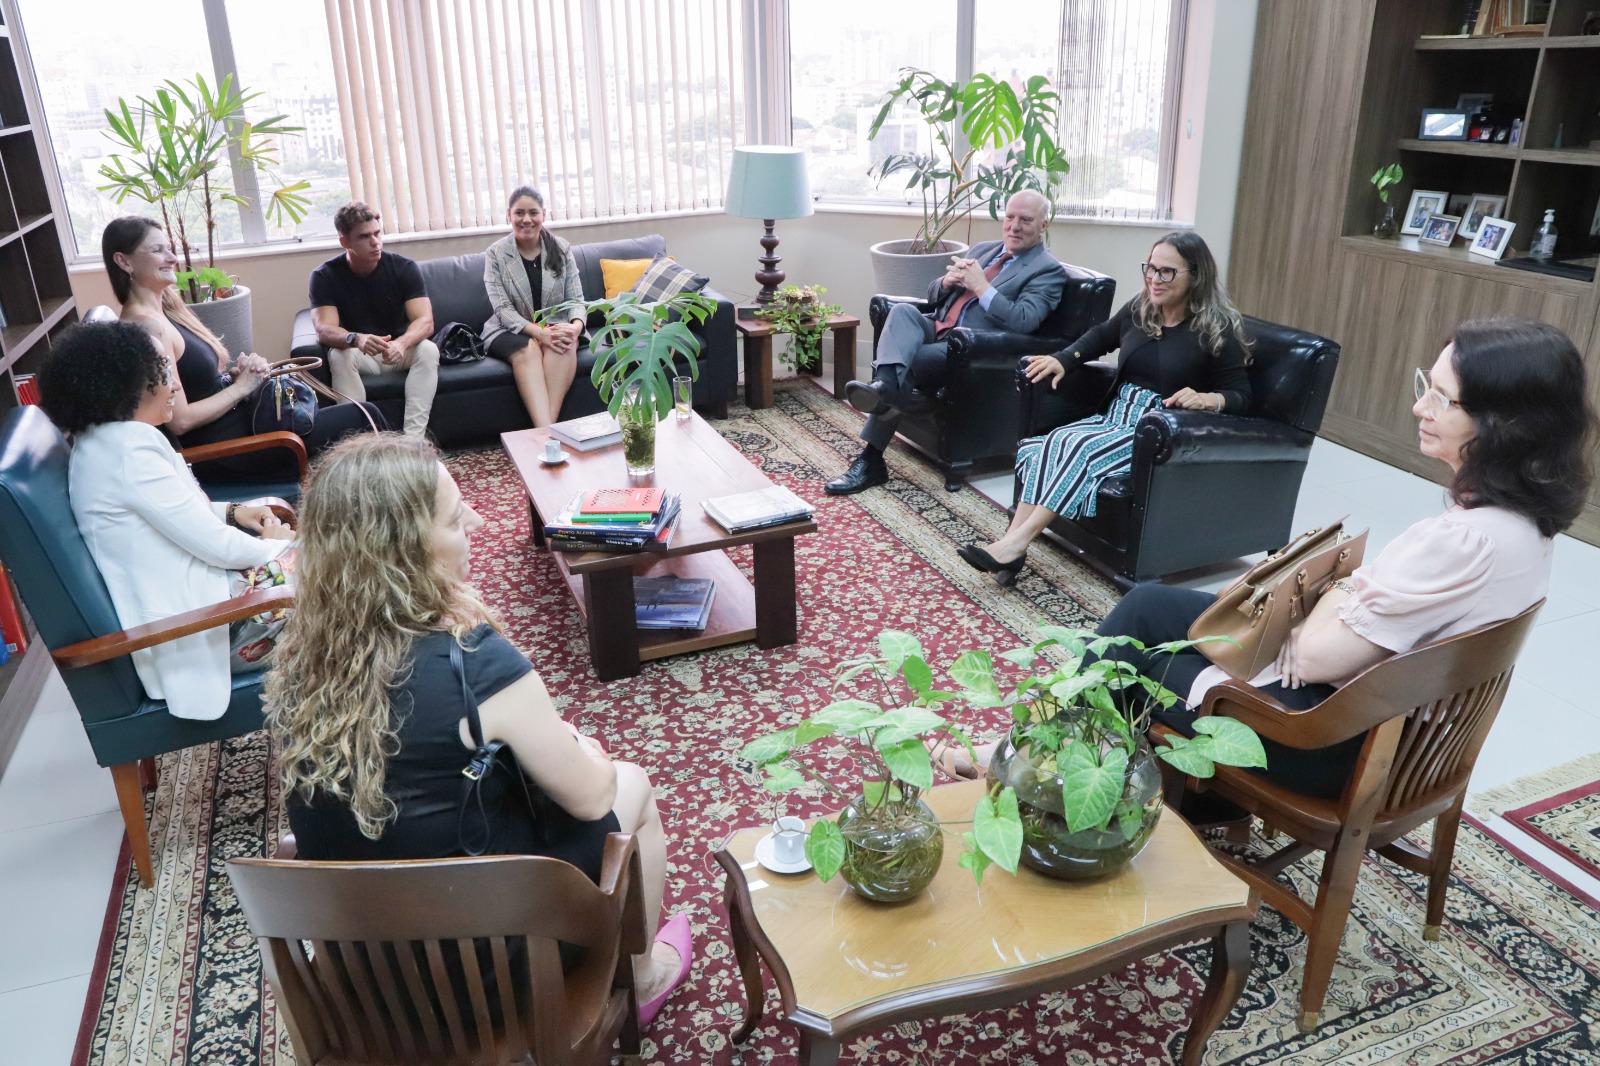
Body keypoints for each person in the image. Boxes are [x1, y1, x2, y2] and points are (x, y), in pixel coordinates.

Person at [265, 434, 691, 1025]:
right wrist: (584, 751)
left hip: (366, 974)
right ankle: (644, 980)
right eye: (453, 517)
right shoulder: (475, 665)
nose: (477, 521)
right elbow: (593, 798)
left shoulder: (300, 661)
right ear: (401, 548)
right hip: (484, 970)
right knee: (630, 784)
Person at [1094, 316, 1597, 798]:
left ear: (1504, 425)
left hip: (1327, 742)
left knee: (1129, 663)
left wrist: (1338, 590)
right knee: (1148, 605)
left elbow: (1313, 658)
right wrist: (1344, 599)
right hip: (1384, 728)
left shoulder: (1465, 541)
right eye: (1427, 385)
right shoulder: (1528, 527)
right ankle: (1176, 794)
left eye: (1442, 399)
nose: (1420, 407)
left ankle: (1088, 777)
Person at [36, 320, 296, 721]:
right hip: (206, 630)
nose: (175, 385)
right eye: (162, 373)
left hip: (207, 610)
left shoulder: (105, 440)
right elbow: (220, 548)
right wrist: (276, 544)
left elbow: (167, 514)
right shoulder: (128, 451)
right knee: (354, 575)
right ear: (125, 387)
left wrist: (232, 511)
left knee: (349, 561)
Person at [960, 231, 1252, 585]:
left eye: (1167, 272)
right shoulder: (1141, 309)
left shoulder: (1217, 329)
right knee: (1049, 443)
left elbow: (1241, 394)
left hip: (1157, 431)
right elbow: (1100, 337)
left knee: (1078, 447)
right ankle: (1011, 548)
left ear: (1196, 275)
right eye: (1151, 268)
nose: (1154, 279)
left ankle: (1016, 544)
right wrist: (1064, 359)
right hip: (1115, 416)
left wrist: (1209, 399)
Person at [826, 189, 1068, 495]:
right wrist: (946, 282)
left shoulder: (1047, 270)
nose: (1014, 226)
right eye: (1009, 217)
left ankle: (871, 458)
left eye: (1025, 220)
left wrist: (982, 287)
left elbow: (1024, 320)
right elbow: (931, 295)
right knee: (901, 312)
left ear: (1044, 225)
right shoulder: (984, 250)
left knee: (906, 363)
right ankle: (884, 387)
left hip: (968, 348)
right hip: (937, 325)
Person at [105, 216, 383, 481]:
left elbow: (199, 386)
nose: (172, 258)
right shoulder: (146, 328)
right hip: (226, 450)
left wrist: (236, 378)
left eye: (169, 248)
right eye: (157, 250)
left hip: (243, 425)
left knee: (351, 415)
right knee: (364, 417)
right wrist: (242, 387)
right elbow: (180, 421)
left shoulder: (166, 311)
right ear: (124, 261)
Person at [310, 202, 439, 437]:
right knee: (339, 354)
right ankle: (361, 441)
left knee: (429, 350)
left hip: (398, 351)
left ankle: (413, 441)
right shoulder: (324, 276)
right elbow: (324, 329)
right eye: (364, 236)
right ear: (345, 242)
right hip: (361, 354)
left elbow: (425, 321)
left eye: (377, 233)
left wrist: (402, 343)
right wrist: (356, 338)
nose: (375, 242)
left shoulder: (403, 267)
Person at [481, 185, 589, 427]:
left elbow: (576, 299)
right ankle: (549, 432)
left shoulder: (561, 248)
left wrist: (575, 328)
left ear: (543, 215)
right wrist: (540, 334)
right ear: (509, 215)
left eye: (533, 213)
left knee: (563, 342)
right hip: (509, 329)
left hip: (554, 325)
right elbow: (503, 310)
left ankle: (545, 433)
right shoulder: (496, 254)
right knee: (529, 349)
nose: (526, 219)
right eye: (519, 213)